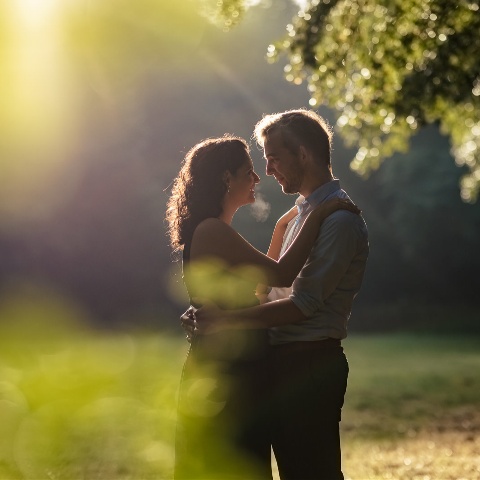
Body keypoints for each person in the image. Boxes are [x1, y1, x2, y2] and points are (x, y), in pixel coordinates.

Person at [188, 109, 369, 480]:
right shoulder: (303, 216)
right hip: (275, 365)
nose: (266, 171)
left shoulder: (338, 219)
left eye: (273, 157)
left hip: (309, 363)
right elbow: (270, 286)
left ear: (303, 155)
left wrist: (224, 319)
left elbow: (302, 303)